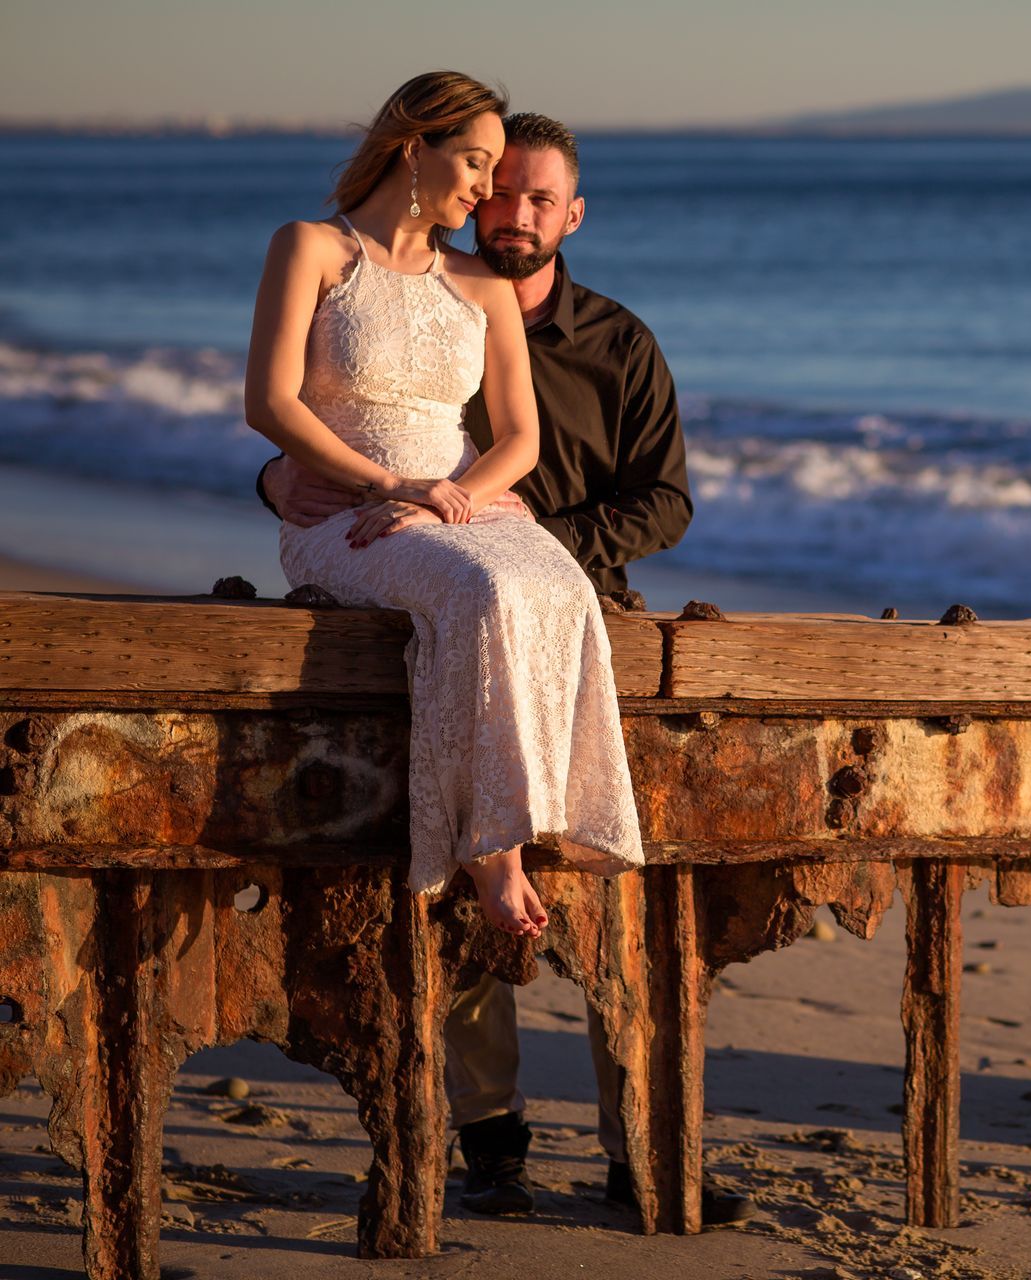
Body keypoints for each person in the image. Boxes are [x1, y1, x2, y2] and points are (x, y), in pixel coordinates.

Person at [258, 110, 709, 1219]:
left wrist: (532, 527)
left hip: (562, 589)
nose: (506, 209)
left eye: (533, 197)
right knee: (470, 885)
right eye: (493, 184)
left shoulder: (617, 343)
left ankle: (627, 1144)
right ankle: (490, 1135)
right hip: (435, 554)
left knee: (606, 911)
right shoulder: (388, 268)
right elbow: (305, 412)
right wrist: (305, 484)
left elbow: (664, 498)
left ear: (572, 215)